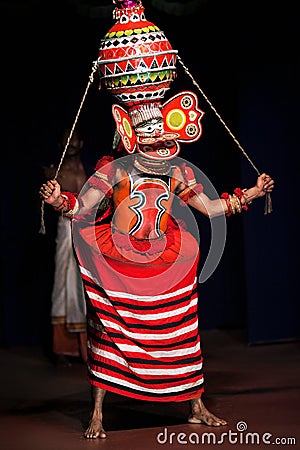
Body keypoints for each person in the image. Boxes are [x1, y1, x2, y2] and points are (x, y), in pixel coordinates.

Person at [39, 0, 275, 439]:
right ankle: (97, 412)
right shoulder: (114, 170)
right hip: (120, 263)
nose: (161, 144)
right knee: (108, 335)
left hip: (165, 262)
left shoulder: (180, 171)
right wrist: (58, 200)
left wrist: (251, 194)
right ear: (132, 137)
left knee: (183, 331)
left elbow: (210, 208)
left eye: (165, 137)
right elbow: (82, 208)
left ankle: (196, 403)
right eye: (152, 138)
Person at [43, 127, 89, 366]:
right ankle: (62, 349)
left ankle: (86, 348)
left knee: (85, 282)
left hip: (87, 230)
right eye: (66, 140)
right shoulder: (55, 172)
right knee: (63, 282)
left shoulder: (89, 169)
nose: (70, 144)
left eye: (74, 139)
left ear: (81, 143)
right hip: (65, 228)